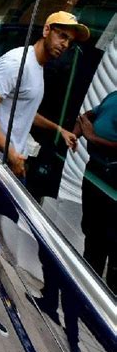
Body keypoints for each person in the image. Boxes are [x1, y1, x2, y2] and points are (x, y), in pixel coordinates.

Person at [0, 11, 90, 333]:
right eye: (62, 36)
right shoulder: (17, 63)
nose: (64, 45)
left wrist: (58, 129)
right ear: (47, 30)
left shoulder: (37, 70)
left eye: (69, 42)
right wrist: (12, 153)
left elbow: (25, 108)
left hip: (0, 171)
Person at [74, 91, 116, 293]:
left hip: (111, 180)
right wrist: (80, 125)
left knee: (108, 242)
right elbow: (92, 113)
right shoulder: (114, 95)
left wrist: (92, 136)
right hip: (95, 173)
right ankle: (85, 297)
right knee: (92, 235)